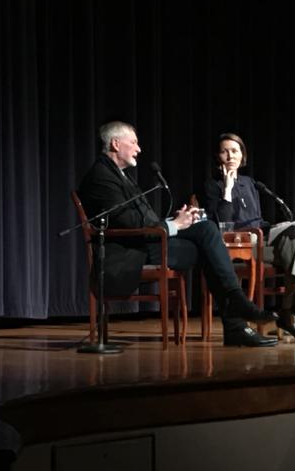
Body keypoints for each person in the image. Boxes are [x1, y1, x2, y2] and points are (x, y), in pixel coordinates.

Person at [77, 121, 278, 347]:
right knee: (209, 246)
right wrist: (174, 226)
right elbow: (129, 223)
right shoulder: (102, 177)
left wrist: (175, 220)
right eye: (133, 142)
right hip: (132, 253)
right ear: (115, 143)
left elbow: (142, 219)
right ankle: (236, 316)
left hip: (146, 242)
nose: (138, 149)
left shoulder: (116, 174)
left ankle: (236, 315)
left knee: (206, 230)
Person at [202, 132, 295, 340]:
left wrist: (276, 226)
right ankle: (292, 312)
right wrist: (227, 190)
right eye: (224, 151)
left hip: (260, 239)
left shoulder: (250, 183)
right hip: (238, 243)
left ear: (242, 155)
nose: (230, 156)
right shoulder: (212, 186)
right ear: (217, 157)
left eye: (235, 151)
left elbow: (258, 220)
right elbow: (221, 225)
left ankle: (293, 307)